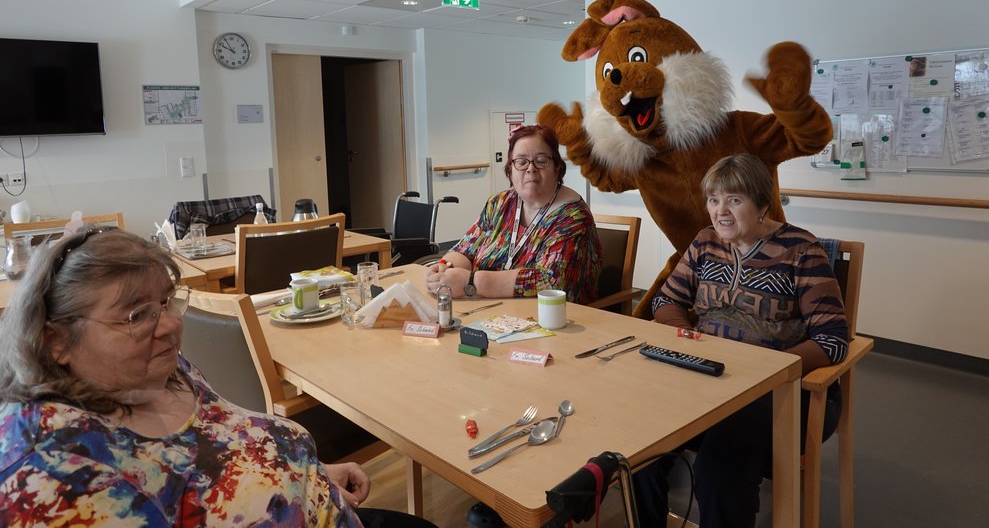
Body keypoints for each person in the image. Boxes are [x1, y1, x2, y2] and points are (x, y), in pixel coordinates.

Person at [0, 228, 436, 528]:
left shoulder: (165, 371)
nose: (170, 325)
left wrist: (305, 469)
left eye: (168, 302)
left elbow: (223, 442)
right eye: (137, 315)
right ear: (54, 339)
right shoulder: (48, 475)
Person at [635, 154, 849, 528]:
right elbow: (665, 301)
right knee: (639, 444)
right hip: (708, 376)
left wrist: (771, 371)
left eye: (735, 200)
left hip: (782, 390)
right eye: (714, 200)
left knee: (720, 466)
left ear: (763, 204)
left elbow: (832, 339)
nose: (721, 212)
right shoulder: (704, 244)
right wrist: (687, 335)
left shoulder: (800, 250)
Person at [425, 124, 601, 304]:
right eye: (521, 162)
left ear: (557, 167)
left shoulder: (573, 217)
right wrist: (444, 269)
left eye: (541, 160)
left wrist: (471, 282)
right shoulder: (499, 203)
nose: (530, 168)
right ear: (510, 169)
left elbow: (550, 282)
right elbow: (465, 250)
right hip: (497, 311)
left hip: (555, 319)